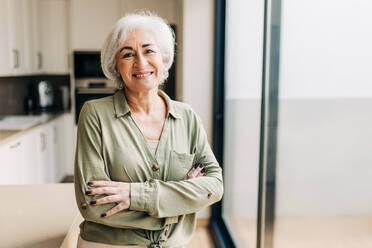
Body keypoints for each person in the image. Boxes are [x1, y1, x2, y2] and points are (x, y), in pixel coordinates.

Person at [74, 11, 223, 248]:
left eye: (148, 50)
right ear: (116, 66)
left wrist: (134, 196)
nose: (140, 62)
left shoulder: (187, 117)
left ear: (163, 57)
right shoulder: (94, 114)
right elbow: (93, 204)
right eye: (128, 54)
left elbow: (214, 185)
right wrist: (179, 201)